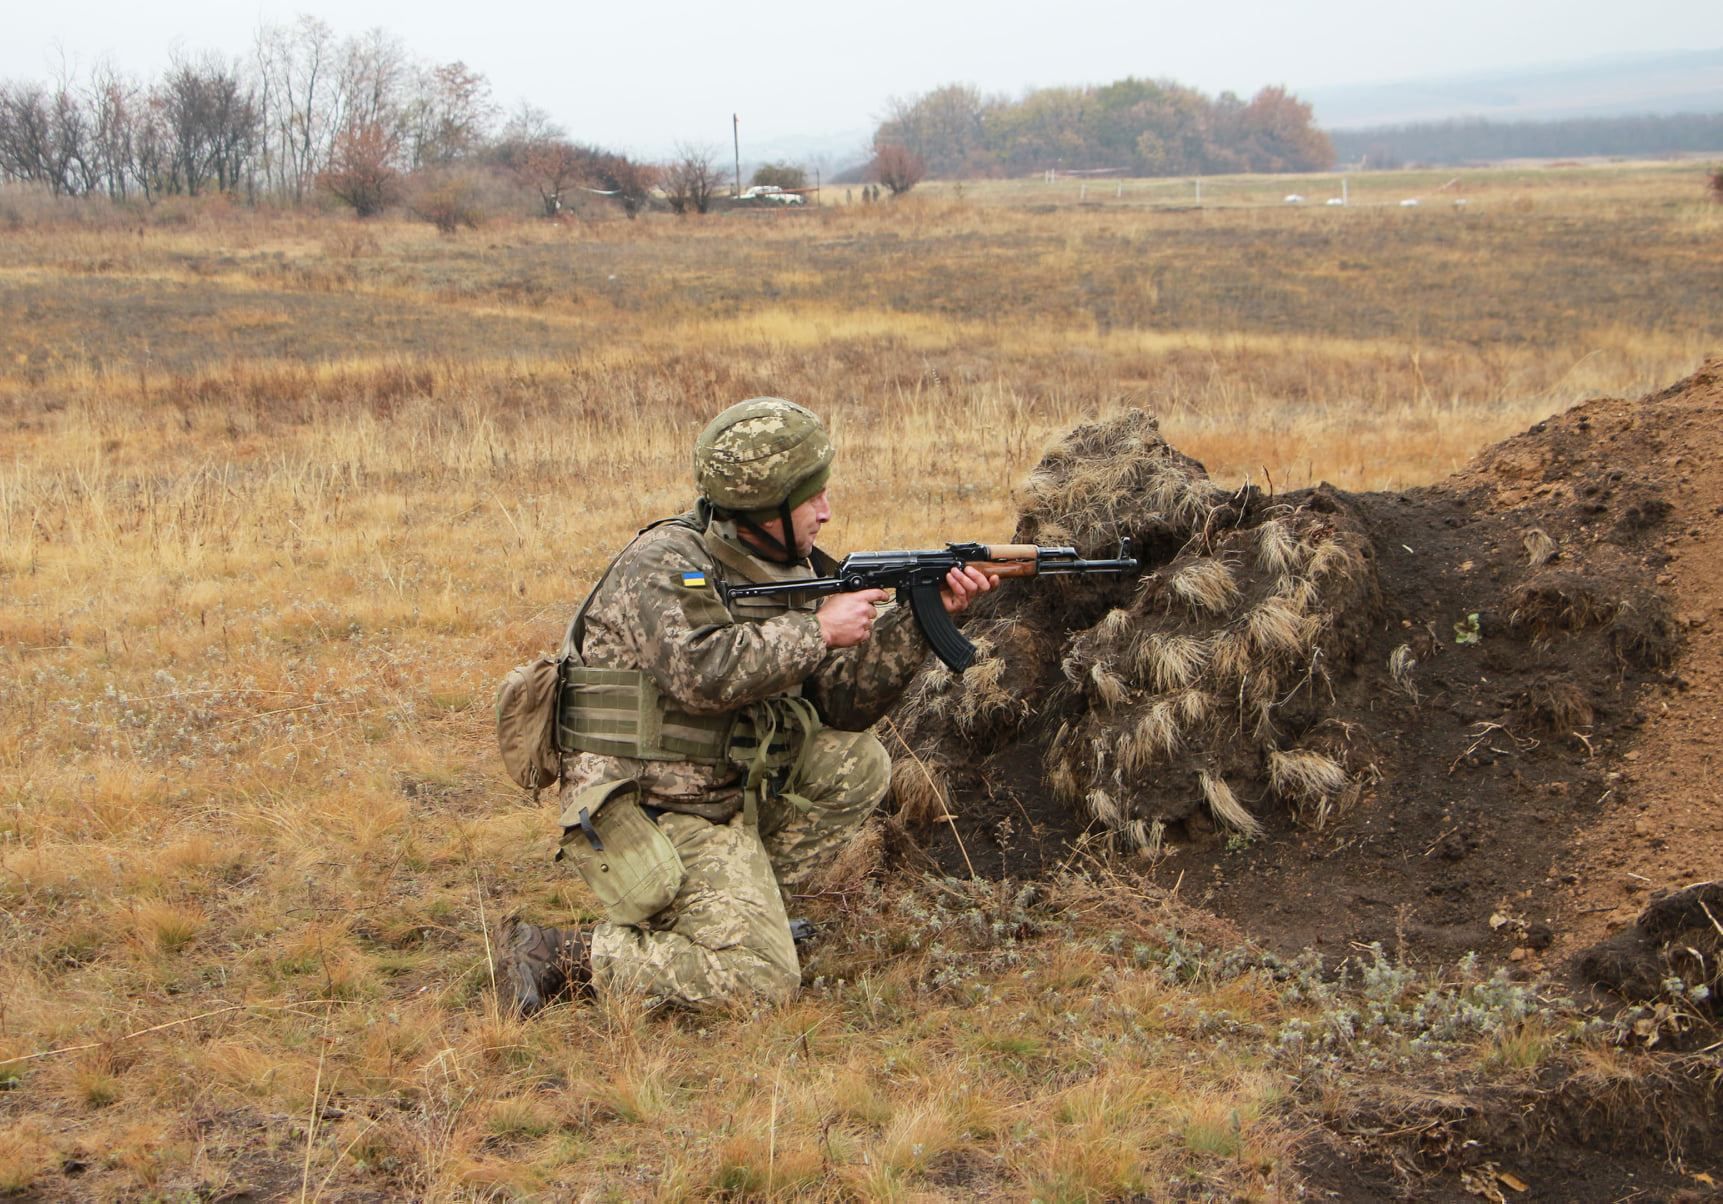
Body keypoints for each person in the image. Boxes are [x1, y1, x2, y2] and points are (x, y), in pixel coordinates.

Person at [497, 398, 994, 1014]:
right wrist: (818, 631)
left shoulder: (788, 563)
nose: (827, 512)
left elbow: (837, 702)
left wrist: (922, 623)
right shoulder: (664, 565)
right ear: (763, 502)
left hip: (727, 784)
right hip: (655, 804)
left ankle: (741, 911)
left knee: (856, 762)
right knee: (760, 982)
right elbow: (701, 673)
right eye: (811, 499)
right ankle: (563, 954)